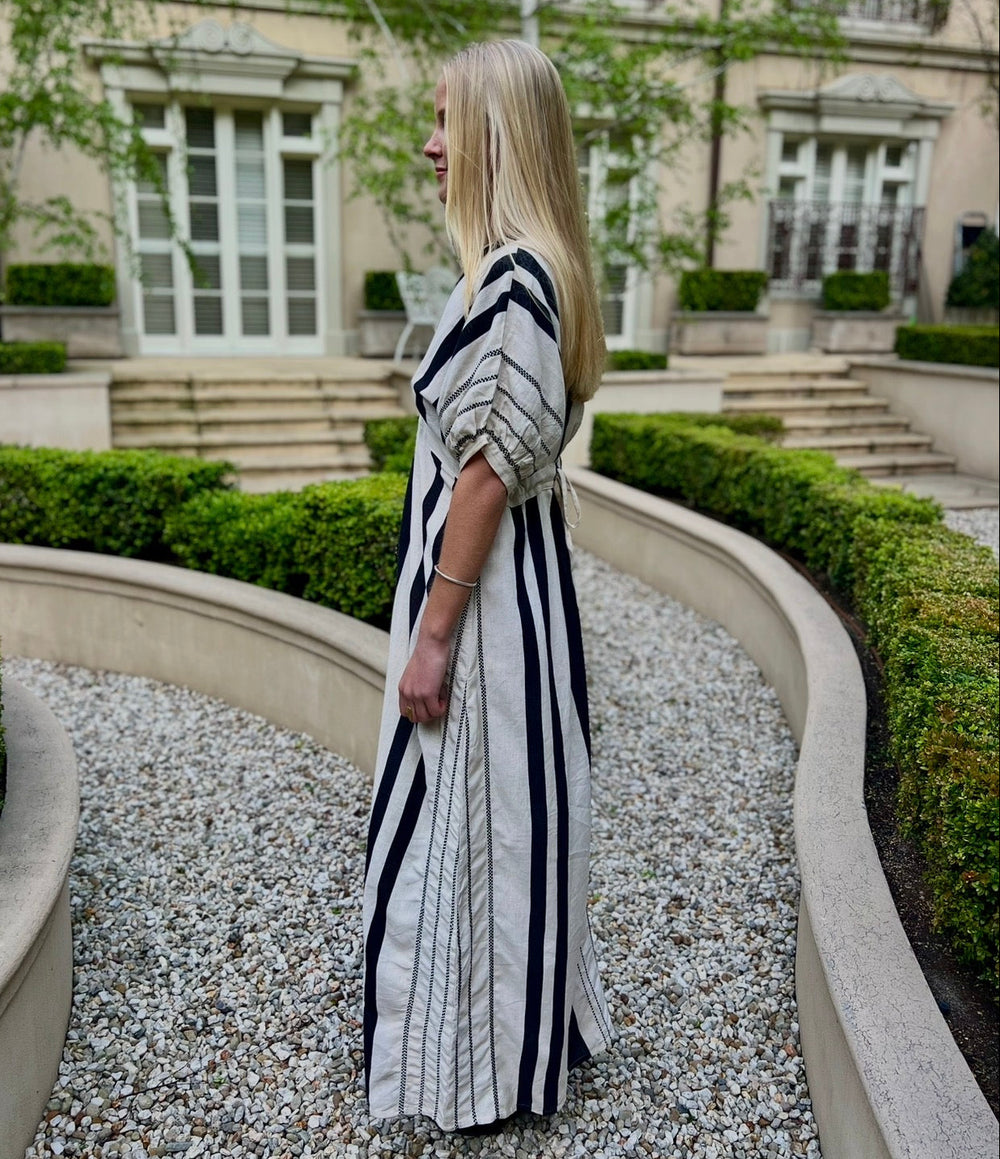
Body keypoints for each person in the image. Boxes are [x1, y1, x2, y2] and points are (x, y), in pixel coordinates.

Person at [362, 39, 613, 1134]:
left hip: (488, 608)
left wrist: (433, 635)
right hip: (514, 595)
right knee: (502, 816)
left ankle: (481, 1070)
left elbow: (484, 474)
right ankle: (509, 1040)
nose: (431, 145)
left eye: (446, 119)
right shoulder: (531, 270)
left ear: (496, 135)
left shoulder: (515, 279)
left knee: (471, 821)